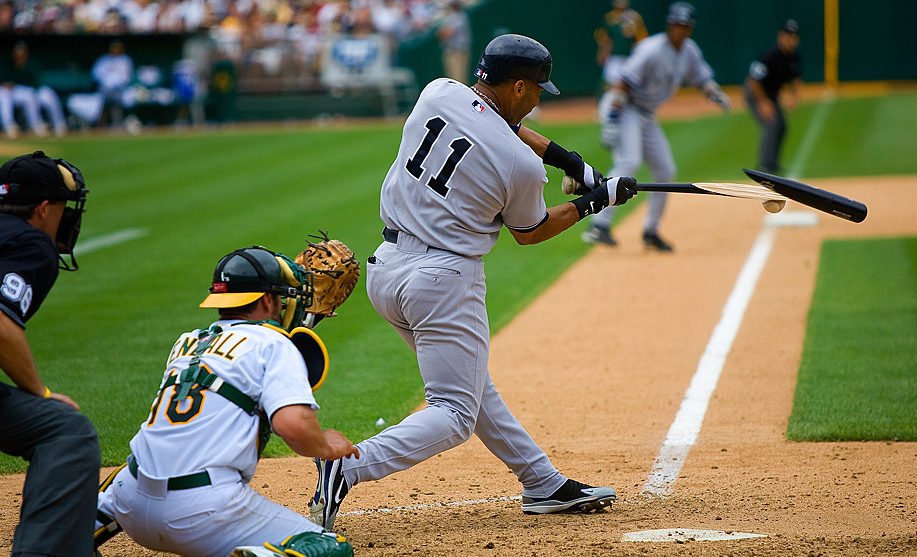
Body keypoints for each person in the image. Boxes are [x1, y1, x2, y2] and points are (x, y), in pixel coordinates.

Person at [308, 33, 637, 533]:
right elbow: (531, 231)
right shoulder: (518, 164)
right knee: (455, 411)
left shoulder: (438, 91)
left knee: (472, 386)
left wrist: (568, 159)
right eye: (536, 91)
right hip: (442, 282)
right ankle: (347, 466)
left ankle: (542, 483)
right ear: (521, 87)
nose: (536, 101)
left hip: (386, 269)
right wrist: (596, 201)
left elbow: (488, 122)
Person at [94, 246, 359, 557]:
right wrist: (327, 446)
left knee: (142, 462)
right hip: (201, 514)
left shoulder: (187, 342)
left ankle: (71, 529)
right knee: (329, 548)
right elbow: (294, 427)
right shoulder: (274, 343)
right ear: (265, 300)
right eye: (283, 297)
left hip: (130, 500)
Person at [0, 151, 99, 557]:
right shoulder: (31, 242)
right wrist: (39, 392)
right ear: (43, 209)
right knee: (67, 431)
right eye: (63, 207)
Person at [584, 2, 730, 251]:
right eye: (676, 25)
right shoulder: (651, 50)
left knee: (665, 169)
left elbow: (701, 77)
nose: (680, 30)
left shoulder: (689, 51)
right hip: (625, 108)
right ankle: (599, 225)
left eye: (684, 26)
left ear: (690, 29)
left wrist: (714, 92)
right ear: (669, 25)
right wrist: (611, 123)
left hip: (646, 114)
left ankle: (650, 231)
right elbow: (621, 86)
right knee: (629, 161)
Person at [744, 19, 802, 175]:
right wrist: (763, 103)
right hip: (755, 93)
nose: (790, 39)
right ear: (780, 36)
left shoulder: (793, 57)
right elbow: (754, 81)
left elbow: (795, 79)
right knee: (771, 123)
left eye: (793, 36)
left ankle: (773, 164)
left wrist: (793, 97)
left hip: (771, 94)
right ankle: (765, 166)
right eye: (787, 35)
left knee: (782, 126)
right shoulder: (770, 55)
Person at [0, 42, 68, 138]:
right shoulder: (9, 64)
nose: (20, 55)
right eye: (18, 53)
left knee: (49, 94)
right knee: (7, 94)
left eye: (22, 52)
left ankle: (59, 125)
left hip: (34, 90)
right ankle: (13, 127)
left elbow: (36, 81)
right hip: (16, 92)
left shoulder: (32, 64)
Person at [595, 0, 647, 93]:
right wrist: (602, 53)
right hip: (614, 57)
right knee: (608, 82)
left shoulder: (635, 17)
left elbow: (641, 40)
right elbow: (604, 38)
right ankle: (604, 105)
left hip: (630, 57)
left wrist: (638, 56)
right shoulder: (609, 18)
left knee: (631, 84)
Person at [90, 39, 135, 127]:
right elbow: (96, 74)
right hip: (104, 90)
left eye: (118, 47)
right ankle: (99, 126)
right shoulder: (103, 60)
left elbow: (127, 77)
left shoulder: (125, 60)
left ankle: (118, 123)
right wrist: (107, 82)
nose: (116, 49)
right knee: (101, 103)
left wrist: (117, 83)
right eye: (114, 47)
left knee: (119, 101)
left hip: (121, 90)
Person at [436, 0, 471, 81]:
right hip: (456, 51)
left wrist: (440, 32)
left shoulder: (457, 16)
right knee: (455, 79)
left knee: (458, 79)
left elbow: (447, 33)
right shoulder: (460, 16)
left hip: (457, 52)